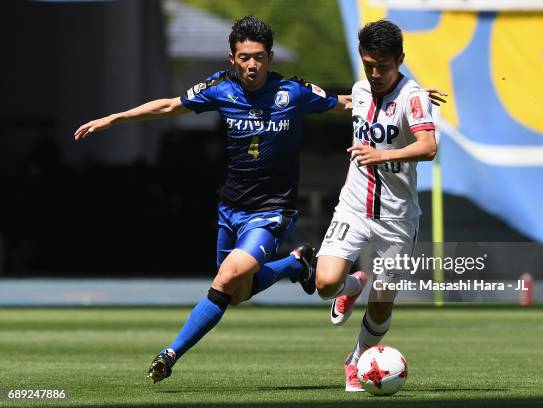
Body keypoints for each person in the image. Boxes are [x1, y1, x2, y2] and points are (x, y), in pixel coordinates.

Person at [74, 16, 352, 383]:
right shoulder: (221, 89)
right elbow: (169, 106)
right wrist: (116, 117)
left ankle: (169, 354)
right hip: (230, 207)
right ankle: (295, 264)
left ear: (269, 57)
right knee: (237, 292)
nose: (252, 64)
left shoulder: (294, 93)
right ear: (232, 58)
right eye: (244, 57)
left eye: (259, 57)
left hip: (271, 211)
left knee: (225, 280)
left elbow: (346, 103)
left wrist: (399, 96)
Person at [314, 19, 439, 392]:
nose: (375, 72)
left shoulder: (411, 96)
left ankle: (356, 361)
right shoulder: (361, 89)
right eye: (368, 64)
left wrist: (382, 154)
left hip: (398, 219)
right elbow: (353, 104)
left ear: (399, 59)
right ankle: (353, 285)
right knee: (324, 284)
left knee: (382, 304)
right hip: (353, 207)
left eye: (382, 66)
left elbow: (428, 148)